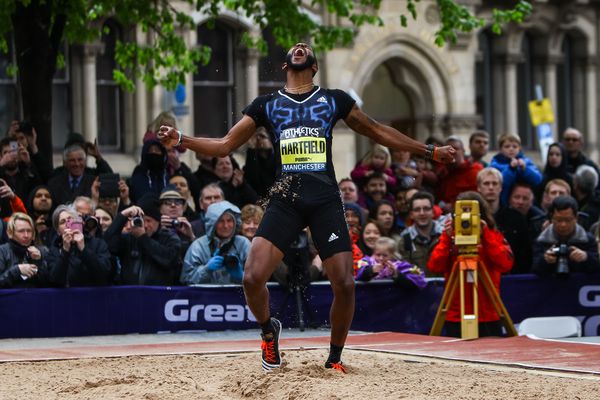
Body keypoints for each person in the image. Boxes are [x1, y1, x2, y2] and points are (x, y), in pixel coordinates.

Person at [158, 42, 455, 372]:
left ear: (314, 66)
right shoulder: (267, 104)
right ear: (285, 66)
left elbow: (377, 130)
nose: (300, 46)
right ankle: (269, 331)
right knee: (252, 278)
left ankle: (335, 359)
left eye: (306, 47)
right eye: (294, 47)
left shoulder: (333, 100)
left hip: (324, 200)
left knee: (344, 283)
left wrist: (428, 151)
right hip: (285, 199)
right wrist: (181, 140)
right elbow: (225, 144)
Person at [428, 191, 513, 338]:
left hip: (488, 314)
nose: (466, 217)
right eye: (462, 212)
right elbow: (434, 266)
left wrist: (485, 235)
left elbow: (505, 264)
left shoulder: (493, 236)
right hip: (456, 314)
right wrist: (447, 239)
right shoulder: (448, 238)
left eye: (471, 212)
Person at [103, 194, 182, 285]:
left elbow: (169, 260)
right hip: (129, 293)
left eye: (149, 220)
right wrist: (122, 216)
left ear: (158, 222)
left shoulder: (170, 238)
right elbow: (107, 245)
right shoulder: (129, 238)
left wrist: (143, 237)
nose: (145, 225)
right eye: (142, 220)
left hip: (159, 295)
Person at [181, 201, 250, 285]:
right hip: (205, 296)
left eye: (229, 220)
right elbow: (186, 279)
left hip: (237, 296)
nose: (226, 225)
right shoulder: (198, 246)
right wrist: (206, 270)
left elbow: (258, 278)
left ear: (235, 222)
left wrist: (242, 276)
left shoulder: (243, 244)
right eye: (221, 221)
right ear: (212, 223)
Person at [532, 195, 600, 277]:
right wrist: (545, 260)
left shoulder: (587, 240)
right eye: (559, 220)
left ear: (576, 218)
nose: (563, 225)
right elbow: (533, 269)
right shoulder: (541, 240)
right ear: (552, 218)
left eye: (568, 220)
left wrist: (586, 257)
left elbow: (597, 267)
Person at [45, 205, 112, 287]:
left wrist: (84, 249)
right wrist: (65, 251)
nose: (67, 224)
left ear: (79, 222)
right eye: (62, 222)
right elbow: (55, 279)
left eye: (70, 219)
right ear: (58, 231)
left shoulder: (98, 244)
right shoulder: (55, 248)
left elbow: (103, 273)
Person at [397, 191, 442, 276]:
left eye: (426, 209)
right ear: (411, 214)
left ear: (433, 212)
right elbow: (405, 272)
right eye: (417, 210)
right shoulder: (405, 240)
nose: (422, 213)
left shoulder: (444, 236)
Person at [489, 133, 542, 206]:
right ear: (501, 149)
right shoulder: (495, 164)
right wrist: (511, 169)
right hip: (504, 203)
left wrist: (525, 169)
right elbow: (501, 183)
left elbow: (537, 180)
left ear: (519, 148)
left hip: (525, 203)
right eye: (507, 147)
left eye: (515, 146)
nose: (511, 149)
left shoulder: (526, 162)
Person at [355, 236, 426, 290]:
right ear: (373, 252)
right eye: (378, 254)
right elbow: (359, 275)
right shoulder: (366, 262)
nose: (381, 258)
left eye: (385, 255)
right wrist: (371, 270)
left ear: (392, 255)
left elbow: (419, 279)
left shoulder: (400, 265)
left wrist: (396, 274)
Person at [0, 213, 49, 288]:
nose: (26, 235)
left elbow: (51, 283)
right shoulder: (2, 251)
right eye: (21, 231)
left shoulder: (43, 251)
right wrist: (17, 270)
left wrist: (39, 261)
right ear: (10, 233)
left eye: (29, 231)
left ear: (34, 234)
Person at [436, 136, 483, 212]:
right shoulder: (441, 173)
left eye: (456, 148)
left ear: (463, 151)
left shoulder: (476, 171)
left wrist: (454, 205)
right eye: (448, 149)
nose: (452, 152)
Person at [243, 128, 276, 197]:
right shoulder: (252, 158)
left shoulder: (276, 158)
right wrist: (251, 148)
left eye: (262, 136)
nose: (258, 139)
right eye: (256, 136)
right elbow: (251, 178)